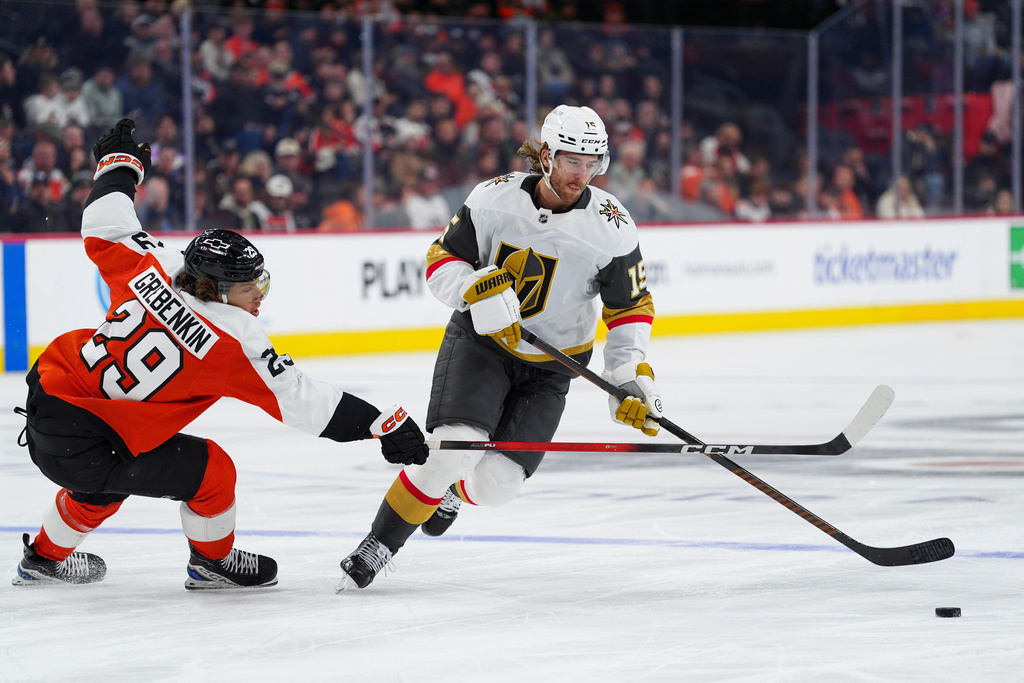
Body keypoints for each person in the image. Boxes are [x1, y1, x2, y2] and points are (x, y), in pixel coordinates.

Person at [13, 119, 429, 590]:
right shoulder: (233, 339)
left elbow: (105, 220)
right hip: (89, 442)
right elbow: (302, 401)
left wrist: (120, 164)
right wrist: (380, 423)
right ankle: (212, 563)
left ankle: (42, 560)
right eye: (252, 287)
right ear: (223, 288)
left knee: (104, 480)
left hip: (49, 402)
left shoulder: (156, 264)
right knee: (211, 471)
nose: (259, 298)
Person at [337, 104, 662, 590]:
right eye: (573, 160)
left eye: (593, 163)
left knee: (497, 485)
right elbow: (441, 259)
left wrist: (627, 374)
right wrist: (473, 287)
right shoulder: (493, 199)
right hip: (482, 346)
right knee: (451, 453)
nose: (583, 174)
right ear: (547, 155)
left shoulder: (612, 227)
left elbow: (630, 308)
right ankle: (380, 543)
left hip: (553, 369)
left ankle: (451, 492)